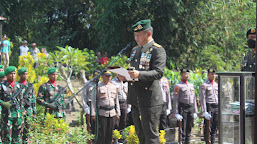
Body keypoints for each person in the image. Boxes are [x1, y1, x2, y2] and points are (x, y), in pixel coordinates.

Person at [127, 19, 166, 144]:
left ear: (148, 34)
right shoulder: (135, 50)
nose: (136, 38)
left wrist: (139, 74)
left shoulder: (157, 50)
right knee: (140, 135)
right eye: (135, 35)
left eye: (138, 35)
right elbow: (132, 71)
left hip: (149, 100)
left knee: (151, 136)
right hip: (135, 99)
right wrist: (125, 76)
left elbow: (158, 72)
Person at [91, 70, 120, 144]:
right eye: (107, 76)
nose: (109, 77)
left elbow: (116, 100)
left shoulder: (113, 86)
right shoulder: (97, 86)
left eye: (110, 76)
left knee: (110, 133)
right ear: (102, 76)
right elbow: (94, 101)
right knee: (102, 133)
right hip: (102, 113)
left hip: (112, 113)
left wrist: (118, 112)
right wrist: (93, 113)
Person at [173, 69, 198, 144]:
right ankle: (182, 142)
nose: (187, 75)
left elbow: (194, 98)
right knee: (183, 128)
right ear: (181, 75)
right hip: (183, 108)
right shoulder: (178, 86)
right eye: (185, 74)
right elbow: (175, 99)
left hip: (190, 107)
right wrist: (176, 113)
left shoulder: (191, 85)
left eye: (188, 74)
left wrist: (195, 111)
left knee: (189, 127)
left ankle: (188, 142)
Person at [0, 66, 24, 143]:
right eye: (11, 74)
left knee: (17, 138)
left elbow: (21, 100)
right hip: (7, 115)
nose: (13, 75)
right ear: (6, 75)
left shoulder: (18, 85)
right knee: (7, 138)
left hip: (18, 115)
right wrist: (3, 103)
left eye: (14, 73)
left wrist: (22, 111)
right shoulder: (2, 85)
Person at [17, 67, 36, 143]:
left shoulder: (30, 86)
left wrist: (34, 111)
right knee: (19, 129)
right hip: (20, 110)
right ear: (20, 75)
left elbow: (33, 98)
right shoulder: (17, 85)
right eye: (23, 74)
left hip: (29, 110)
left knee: (28, 129)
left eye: (26, 74)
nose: (25, 76)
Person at [200, 68, 218, 144]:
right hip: (209, 106)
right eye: (211, 74)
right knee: (208, 127)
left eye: (214, 74)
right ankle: (208, 141)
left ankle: (213, 141)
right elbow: (202, 98)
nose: (213, 75)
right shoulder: (204, 85)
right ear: (208, 75)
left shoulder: (217, 85)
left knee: (215, 126)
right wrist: (204, 111)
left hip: (216, 106)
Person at [81, 70, 100, 134]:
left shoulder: (100, 84)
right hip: (90, 104)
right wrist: (85, 106)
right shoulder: (88, 83)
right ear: (93, 75)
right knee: (90, 123)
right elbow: (83, 95)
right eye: (95, 76)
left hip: (99, 105)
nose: (97, 77)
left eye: (98, 76)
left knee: (98, 123)